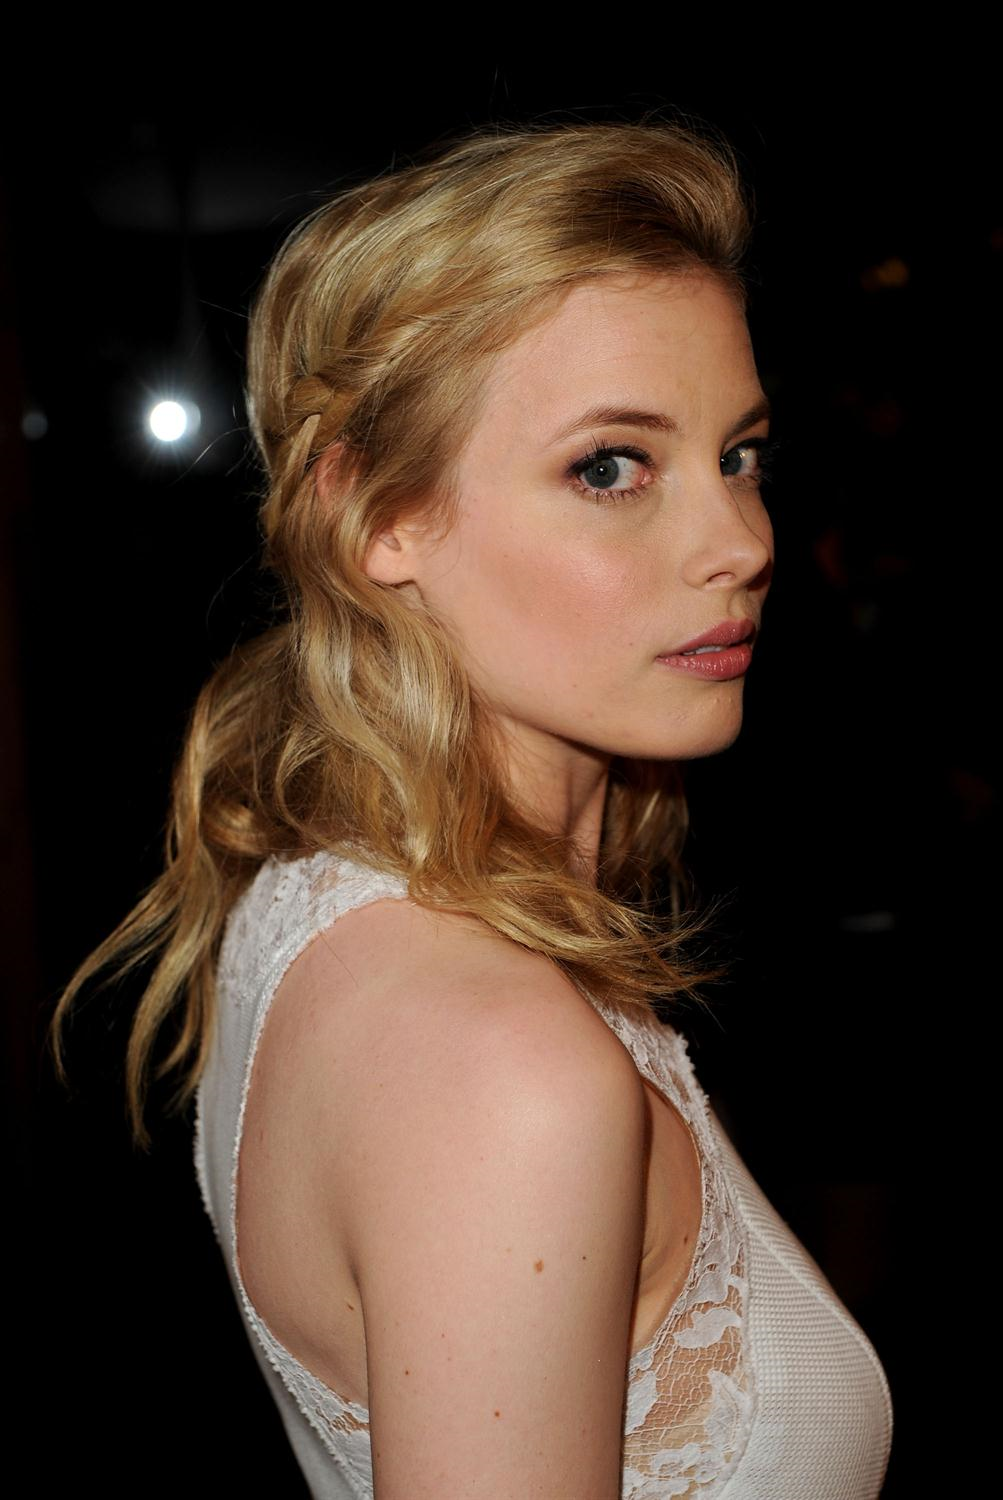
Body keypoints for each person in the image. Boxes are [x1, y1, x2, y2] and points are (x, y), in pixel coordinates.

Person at [49, 117, 893, 1498]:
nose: (740, 542)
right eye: (610, 466)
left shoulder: (324, 891)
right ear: (375, 514)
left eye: (740, 454)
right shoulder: (503, 1067)